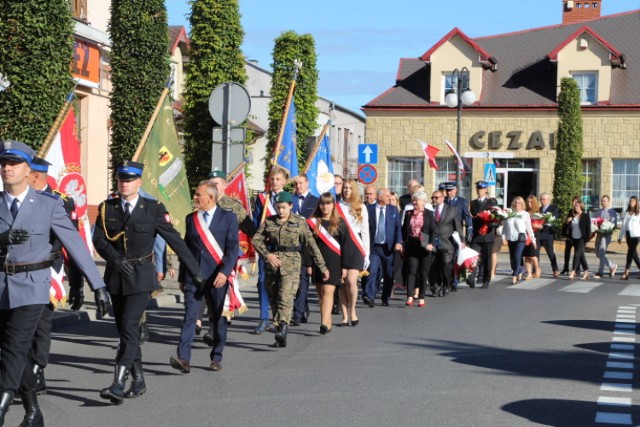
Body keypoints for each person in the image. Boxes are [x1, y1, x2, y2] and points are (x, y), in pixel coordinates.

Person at [0, 140, 109, 427]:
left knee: (15, 346)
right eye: (3, 163)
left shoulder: (48, 205)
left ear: (28, 170)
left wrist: (96, 285)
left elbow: (75, 246)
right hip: (1, 284)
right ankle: (33, 410)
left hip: (33, 286)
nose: (7, 168)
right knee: (12, 349)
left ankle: (1, 404)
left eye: (13, 163)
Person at [93, 160, 202, 404]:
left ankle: (118, 382)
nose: (125, 183)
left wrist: (195, 271)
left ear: (139, 182)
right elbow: (99, 239)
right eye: (121, 179)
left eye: (130, 179)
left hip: (141, 277)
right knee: (124, 331)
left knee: (131, 328)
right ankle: (139, 379)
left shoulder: (152, 208)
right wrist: (115, 259)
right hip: (116, 276)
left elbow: (175, 240)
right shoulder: (106, 207)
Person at [26, 157, 85, 395]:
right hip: (20, 271)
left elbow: (72, 243)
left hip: (49, 270)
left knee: (40, 325)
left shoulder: (61, 201)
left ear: (35, 176)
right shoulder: (17, 200)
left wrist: (77, 285)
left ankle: (37, 370)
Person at [170, 181, 238, 374]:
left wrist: (225, 272)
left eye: (198, 194)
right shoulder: (191, 219)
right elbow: (186, 250)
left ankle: (216, 356)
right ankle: (184, 358)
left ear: (210, 197)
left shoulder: (228, 218)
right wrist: (183, 276)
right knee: (190, 317)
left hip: (218, 277)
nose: (195, 197)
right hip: (195, 277)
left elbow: (233, 248)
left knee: (218, 318)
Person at [252, 191, 329, 347]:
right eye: (278, 207)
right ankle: (280, 328)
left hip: (292, 264)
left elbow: (311, 245)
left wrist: (322, 266)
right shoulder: (269, 221)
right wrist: (267, 255)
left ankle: (284, 327)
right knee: (273, 298)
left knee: (285, 297)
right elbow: (256, 239)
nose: (281, 211)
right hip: (273, 265)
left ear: (291, 206)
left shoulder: (299, 222)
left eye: (284, 208)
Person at [204, 169, 258, 344]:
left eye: (217, 183)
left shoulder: (233, 205)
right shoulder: (203, 202)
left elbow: (249, 227)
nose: (213, 187)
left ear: (225, 185)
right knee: (209, 292)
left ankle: (215, 327)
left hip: (227, 256)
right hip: (207, 256)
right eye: (210, 183)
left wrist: (265, 247)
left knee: (222, 290)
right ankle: (214, 323)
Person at [252, 167, 287, 334]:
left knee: (280, 284)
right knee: (262, 282)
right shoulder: (262, 199)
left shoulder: (288, 199)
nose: (274, 182)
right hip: (266, 247)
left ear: (284, 181)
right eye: (272, 179)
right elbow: (257, 219)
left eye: (278, 179)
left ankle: (279, 318)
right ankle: (263, 318)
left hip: (282, 247)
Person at [309, 193, 348, 333]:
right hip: (318, 262)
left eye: (328, 203)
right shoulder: (313, 223)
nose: (325, 206)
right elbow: (308, 245)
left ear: (333, 205)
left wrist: (345, 266)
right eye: (322, 203)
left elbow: (346, 246)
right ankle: (327, 322)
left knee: (328, 291)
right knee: (321, 294)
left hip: (334, 262)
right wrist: (308, 264)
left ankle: (324, 323)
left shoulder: (340, 223)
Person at [337, 178, 369, 326]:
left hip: (356, 246)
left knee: (351, 280)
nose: (347, 190)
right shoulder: (337, 207)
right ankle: (344, 315)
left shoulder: (361, 207)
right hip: (340, 245)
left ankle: (353, 310)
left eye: (350, 188)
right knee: (342, 283)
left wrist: (366, 253)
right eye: (345, 188)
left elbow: (365, 231)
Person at [365, 188, 402, 306]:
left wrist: (398, 242)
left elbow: (397, 228)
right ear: (380, 197)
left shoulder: (393, 210)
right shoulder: (369, 209)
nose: (389, 198)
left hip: (388, 247)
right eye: (387, 196)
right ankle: (369, 296)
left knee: (388, 273)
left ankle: (385, 296)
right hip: (374, 247)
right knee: (372, 271)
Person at [291, 173, 319, 325]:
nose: (298, 186)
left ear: (307, 183)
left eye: (301, 183)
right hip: (291, 246)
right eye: (296, 184)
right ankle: (303, 307)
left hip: (306, 246)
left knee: (302, 281)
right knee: (293, 283)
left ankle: (297, 313)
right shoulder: (291, 200)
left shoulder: (314, 201)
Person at [401, 192, 435, 307]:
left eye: (416, 201)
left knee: (423, 271)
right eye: (413, 200)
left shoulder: (429, 214)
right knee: (412, 270)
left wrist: (431, 243)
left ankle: (421, 297)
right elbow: (404, 230)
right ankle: (410, 296)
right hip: (412, 243)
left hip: (425, 244)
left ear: (423, 202)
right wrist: (402, 243)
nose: (414, 203)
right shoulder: (408, 213)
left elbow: (433, 230)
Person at [430, 190, 463, 296]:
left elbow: (458, 226)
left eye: (436, 197)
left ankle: (446, 285)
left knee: (445, 265)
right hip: (432, 243)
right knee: (433, 266)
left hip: (447, 243)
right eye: (432, 198)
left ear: (442, 198)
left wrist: (462, 241)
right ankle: (436, 286)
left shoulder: (452, 210)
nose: (434, 199)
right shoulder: (429, 209)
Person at [468, 181, 497, 288]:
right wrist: (469, 232)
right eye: (478, 189)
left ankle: (486, 280)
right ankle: (471, 277)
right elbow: (470, 218)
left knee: (486, 259)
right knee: (473, 257)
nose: (479, 190)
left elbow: (496, 217)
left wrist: (491, 224)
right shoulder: (473, 203)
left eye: (481, 189)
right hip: (476, 235)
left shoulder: (491, 202)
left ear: (485, 190)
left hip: (487, 235)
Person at [502, 196, 536, 284]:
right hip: (511, 237)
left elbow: (529, 228)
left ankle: (515, 274)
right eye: (516, 203)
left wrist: (533, 240)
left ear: (522, 204)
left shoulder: (525, 214)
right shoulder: (509, 213)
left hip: (520, 237)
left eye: (519, 203)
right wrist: (503, 237)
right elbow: (504, 226)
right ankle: (519, 270)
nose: (517, 205)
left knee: (517, 255)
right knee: (512, 257)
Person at [593, 195, 618, 278]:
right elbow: (595, 223)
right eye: (602, 201)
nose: (602, 202)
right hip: (599, 234)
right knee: (597, 253)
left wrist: (608, 227)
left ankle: (600, 272)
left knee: (601, 253)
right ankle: (612, 266)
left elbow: (614, 225)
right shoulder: (598, 211)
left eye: (604, 201)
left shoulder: (612, 212)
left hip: (606, 235)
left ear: (608, 202)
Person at [565, 199, 591, 280]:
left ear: (581, 207)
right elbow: (570, 228)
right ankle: (586, 271)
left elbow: (588, 229)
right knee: (581, 256)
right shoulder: (573, 216)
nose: (575, 207)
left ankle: (573, 271)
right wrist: (568, 221)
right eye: (575, 206)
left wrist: (587, 240)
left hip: (581, 239)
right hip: (574, 238)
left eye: (577, 206)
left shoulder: (585, 216)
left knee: (576, 255)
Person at [617, 196, 640, 280]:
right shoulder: (627, 213)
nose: (631, 202)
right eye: (630, 201)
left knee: (630, 253)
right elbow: (623, 226)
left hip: (636, 235)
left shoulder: (639, 213)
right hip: (628, 235)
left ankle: (626, 272)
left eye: (633, 201)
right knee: (634, 254)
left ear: (636, 203)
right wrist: (620, 236)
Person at [538, 192, 560, 278]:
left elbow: (554, 221)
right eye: (541, 199)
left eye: (543, 199)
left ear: (548, 200)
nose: (542, 201)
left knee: (551, 253)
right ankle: (535, 269)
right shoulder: (539, 209)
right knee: (535, 253)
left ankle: (555, 269)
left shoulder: (553, 209)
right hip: (539, 234)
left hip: (548, 234)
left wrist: (546, 223)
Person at [560, 196, 581, 275]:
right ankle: (565, 268)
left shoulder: (580, 212)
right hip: (569, 235)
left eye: (576, 202)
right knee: (567, 252)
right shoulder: (570, 211)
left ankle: (576, 269)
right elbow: (567, 222)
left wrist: (572, 219)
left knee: (577, 253)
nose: (574, 203)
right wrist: (567, 221)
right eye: (573, 201)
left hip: (576, 235)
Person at [524, 195, 542, 279]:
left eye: (531, 202)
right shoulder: (525, 212)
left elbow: (541, 226)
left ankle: (537, 269)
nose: (529, 203)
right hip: (525, 235)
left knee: (532, 255)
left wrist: (535, 225)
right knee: (526, 255)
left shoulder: (537, 213)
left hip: (534, 235)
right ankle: (529, 273)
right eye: (528, 202)